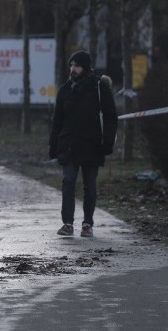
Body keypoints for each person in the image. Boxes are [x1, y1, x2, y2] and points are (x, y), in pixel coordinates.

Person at [49, 50, 118, 238]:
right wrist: (53, 146)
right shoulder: (65, 90)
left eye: (77, 65)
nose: (73, 69)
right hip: (69, 144)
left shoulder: (98, 88)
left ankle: (87, 223)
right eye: (71, 65)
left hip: (92, 144)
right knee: (68, 181)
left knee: (89, 185)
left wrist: (108, 141)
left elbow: (111, 116)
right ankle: (67, 223)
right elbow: (57, 120)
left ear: (85, 67)